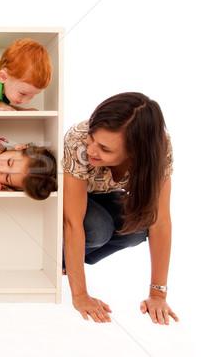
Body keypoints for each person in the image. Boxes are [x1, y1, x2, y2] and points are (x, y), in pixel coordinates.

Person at [62, 92, 179, 325]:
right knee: (97, 229)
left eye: (105, 149)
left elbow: (161, 221)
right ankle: (62, 260)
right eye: (93, 138)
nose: (92, 150)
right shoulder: (78, 140)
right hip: (70, 197)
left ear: (136, 152)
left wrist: (158, 294)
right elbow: (72, 221)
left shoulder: (159, 149)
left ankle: (69, 260)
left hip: (104, 195)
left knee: (136, 229)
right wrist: (80, 294)